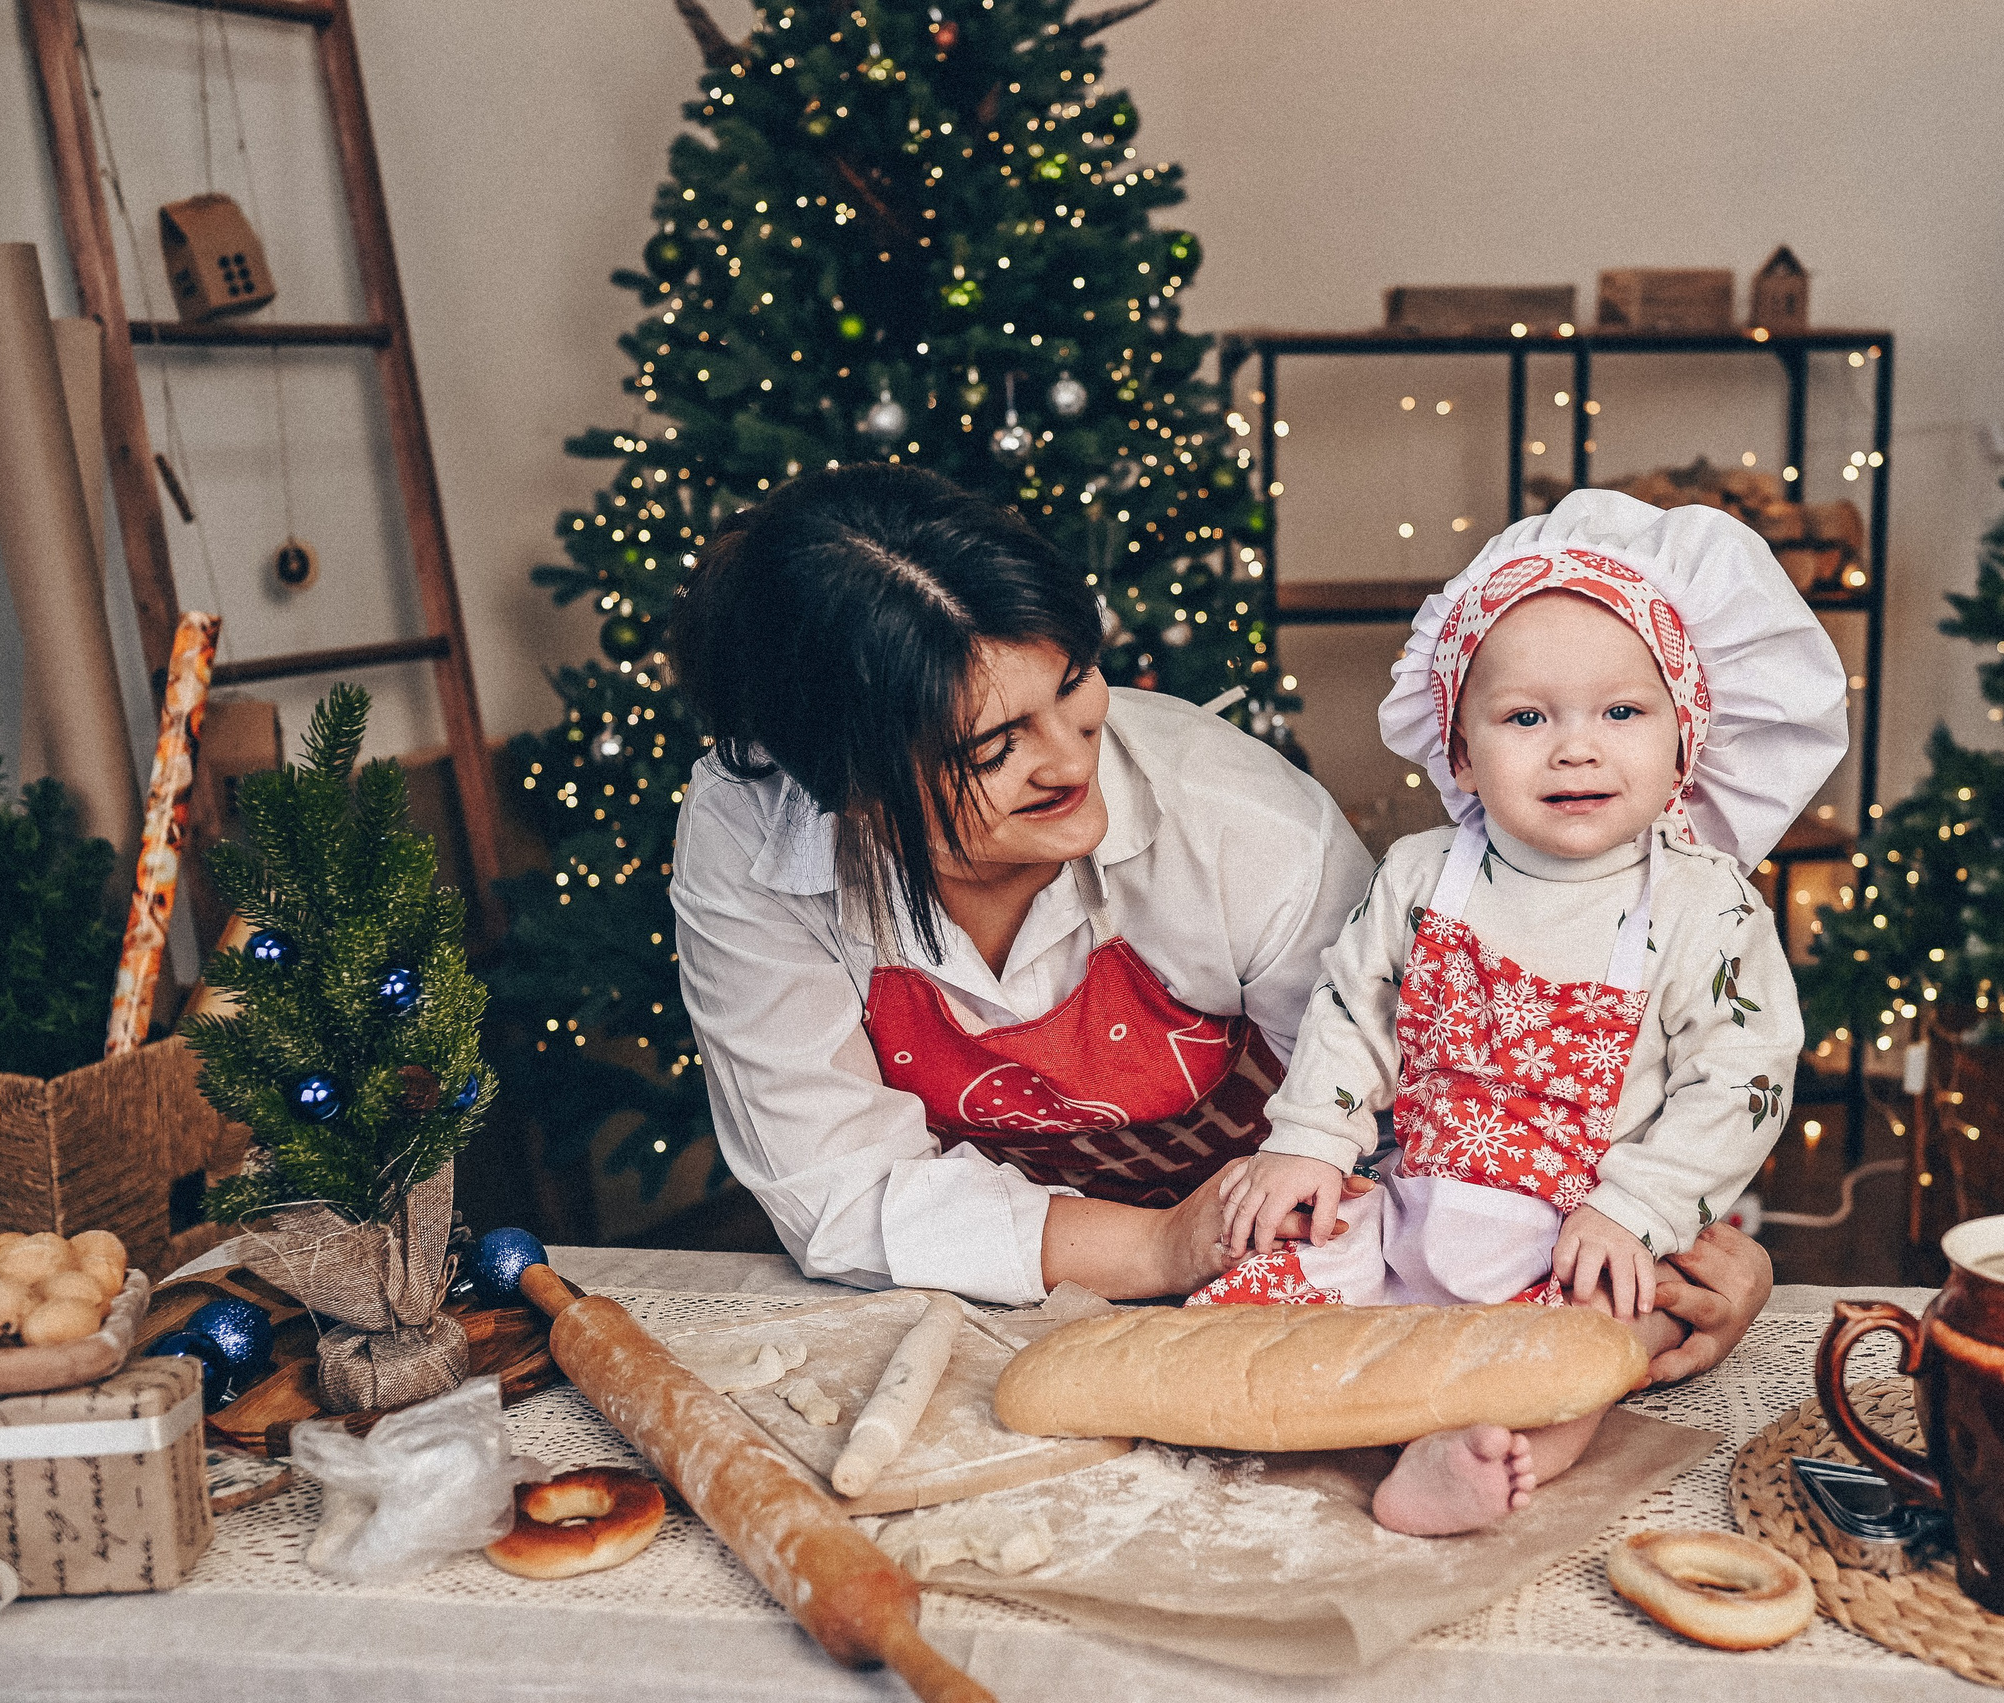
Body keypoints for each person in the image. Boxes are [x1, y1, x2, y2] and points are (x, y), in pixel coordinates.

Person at [666, 464, 1771, 1376]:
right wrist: (1155, 1243)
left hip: (1321, 1303)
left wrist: (1672, 1231)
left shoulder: (1243, 826)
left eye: (1075, 682)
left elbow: (1443, 1122)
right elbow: (835, 1190)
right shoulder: (751, 839)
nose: (1068, 756)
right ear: (844, 781)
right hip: (985, 1319)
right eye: (991, 746)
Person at [1199, 490, 1848, 1535]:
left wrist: (1636, 1207)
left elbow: (1746, 1074)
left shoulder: (1703, 902)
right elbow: (1351, 1003)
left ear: (1687, 742)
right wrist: (1312, 1140)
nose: (1575, 748)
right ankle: (1302, 1407)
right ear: (1458, 752)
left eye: (1622, 712)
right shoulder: (1423, 874)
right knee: (1288, 1265)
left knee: (1592, 1349)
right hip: (1416, 1201)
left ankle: (1462, 1460)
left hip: (1586, 1235)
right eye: (1525, 717)